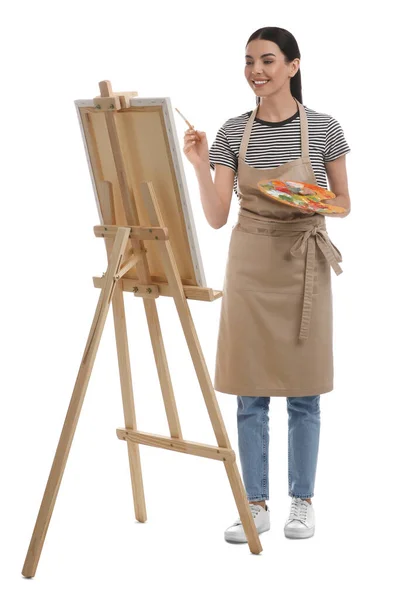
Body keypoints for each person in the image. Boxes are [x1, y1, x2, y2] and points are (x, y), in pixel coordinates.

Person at [183, 26, 351, 543]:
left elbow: (343, 203)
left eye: (269, 61)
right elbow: (215, 216)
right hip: (251, 264)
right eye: (250, 61)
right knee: (249, 392)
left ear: (293, 67)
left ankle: (302, 502)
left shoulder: (324, 127)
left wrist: (298, 197)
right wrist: (198, 162)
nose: (257, 70)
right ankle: (253, 504)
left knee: (304, 391)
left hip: (303, 265)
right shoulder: (233, 131)